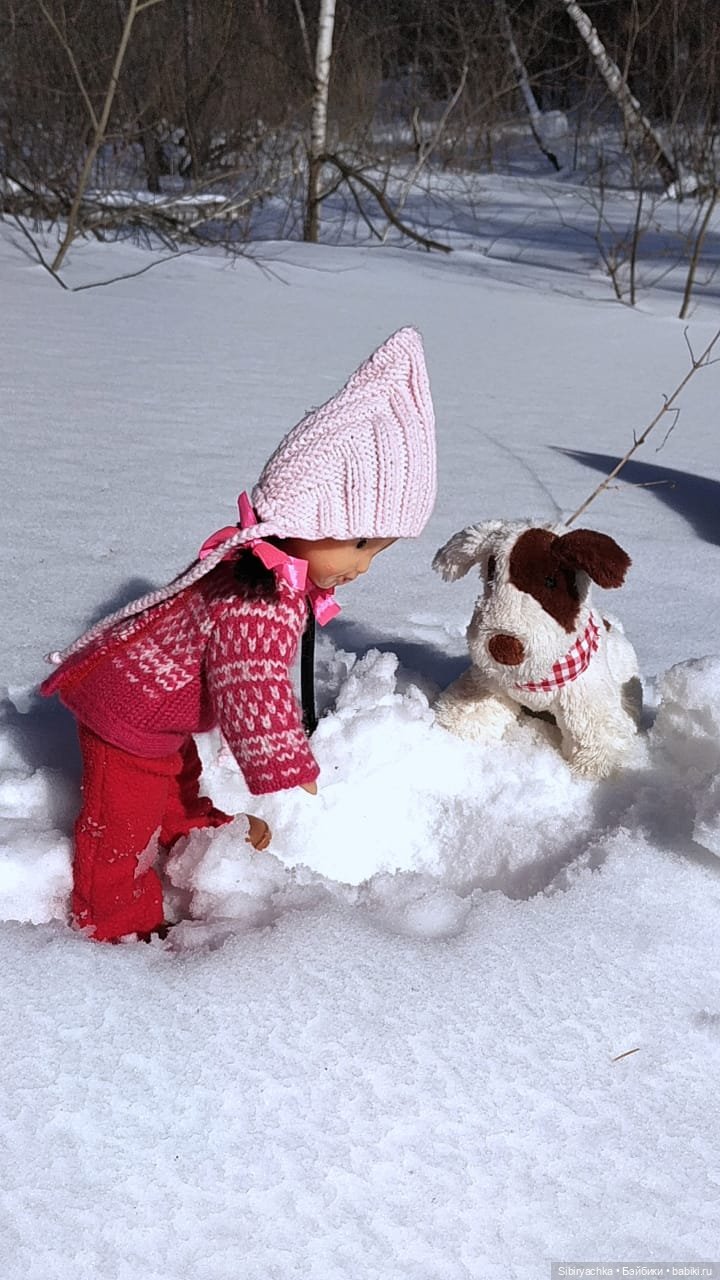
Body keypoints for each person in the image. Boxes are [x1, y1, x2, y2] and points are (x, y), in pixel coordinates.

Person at [41, 326, 437, 943]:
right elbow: (249, 684)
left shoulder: (258, 564)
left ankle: (189, 830)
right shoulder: (260, 598)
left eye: (377, 552)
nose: (362, 566)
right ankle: (113, 925)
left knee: (175, 770)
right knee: (120, 823)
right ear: (307, 515)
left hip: (156, 706)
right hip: (130, 712)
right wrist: (285, 759)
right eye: (359, 543)